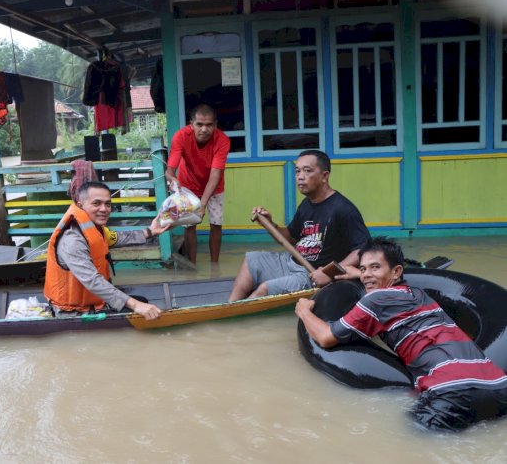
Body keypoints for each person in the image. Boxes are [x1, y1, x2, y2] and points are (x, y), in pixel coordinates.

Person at [295, 237, 507, 431]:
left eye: (374, 267)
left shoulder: (374, 301)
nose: (367, 274)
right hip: (498, 387)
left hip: (451, 393)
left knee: (413, 437)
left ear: (396, 272)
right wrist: (366, 275)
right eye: (363, 269)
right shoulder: (420, 295)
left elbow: (325, 337)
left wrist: (304, 311)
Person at [228, 150, 369, 302]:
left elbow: (362, 249)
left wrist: (329, 273)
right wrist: (270, 223)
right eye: (297, 171)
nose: (300, 177)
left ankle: (237, 316)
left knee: (264, 289)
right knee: (253, 260)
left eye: (307, 171)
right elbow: (290, 237)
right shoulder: (306, 204)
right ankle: (229, 306)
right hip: (292, 261)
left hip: (311, 273)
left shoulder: (343, 209)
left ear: (324, 176)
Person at [44, 181, 168, 320]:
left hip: (94, 303)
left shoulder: (95, 229)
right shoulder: (72, 240)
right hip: (74, 312)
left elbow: (119, 238)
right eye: (96, 203)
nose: (104, 209)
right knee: (140, 304)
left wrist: (150, 231)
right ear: (80, 205)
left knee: (142, 301)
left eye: (108, 204)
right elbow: (92, 280)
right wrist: (136, 305)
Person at [165, 104, 230, 264]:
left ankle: (215, 264)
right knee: (190, 225)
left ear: (215, 125)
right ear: (191, 124)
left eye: (209, 125)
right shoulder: (180, 136)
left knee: (216, 224)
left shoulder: (222, 140)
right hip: (188, 185)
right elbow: (169, 170)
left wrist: (202, 204)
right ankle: (192, 264)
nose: (204, 129)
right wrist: (173, 180)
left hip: (215, 188)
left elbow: (215, 175)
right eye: (199, 124)